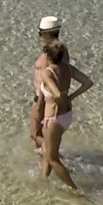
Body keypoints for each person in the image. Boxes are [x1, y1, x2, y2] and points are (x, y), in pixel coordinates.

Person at [37, 32, 94, 194]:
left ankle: (75, 190)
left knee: (52, 158)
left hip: (53, 118)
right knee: (49, 150)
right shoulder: (68, 68)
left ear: (48, 56)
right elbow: (88, 82)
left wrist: (59, 101)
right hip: (66, 117)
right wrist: (71, 97)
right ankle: (43, 180)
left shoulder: (47, 72)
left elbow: (55, 93)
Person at [29, 16, 68, 152]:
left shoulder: (51, 54)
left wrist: (40, 104)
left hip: (43, 99)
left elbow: (50, 78)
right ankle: (47, 163)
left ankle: (53, 160)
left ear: (46, 33)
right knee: (42, 137)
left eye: (40, 33)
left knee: (35, 134)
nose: (40, 37)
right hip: (48, 99)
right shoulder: (59, 51)